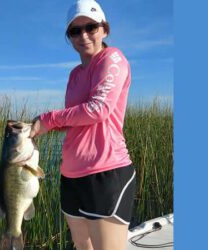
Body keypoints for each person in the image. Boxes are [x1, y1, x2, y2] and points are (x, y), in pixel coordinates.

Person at [30, 1, 136, 249]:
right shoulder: (74, 74)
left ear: (105, 29)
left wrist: (49, 119)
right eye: (75, 31)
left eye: (90, 27)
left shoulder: (113, 58)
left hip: (105, 173)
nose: (84, 35)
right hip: (71, 175)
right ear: (69, 36)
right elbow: (76, 119)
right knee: (81, 245)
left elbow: (98, 109)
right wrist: (40, 128)